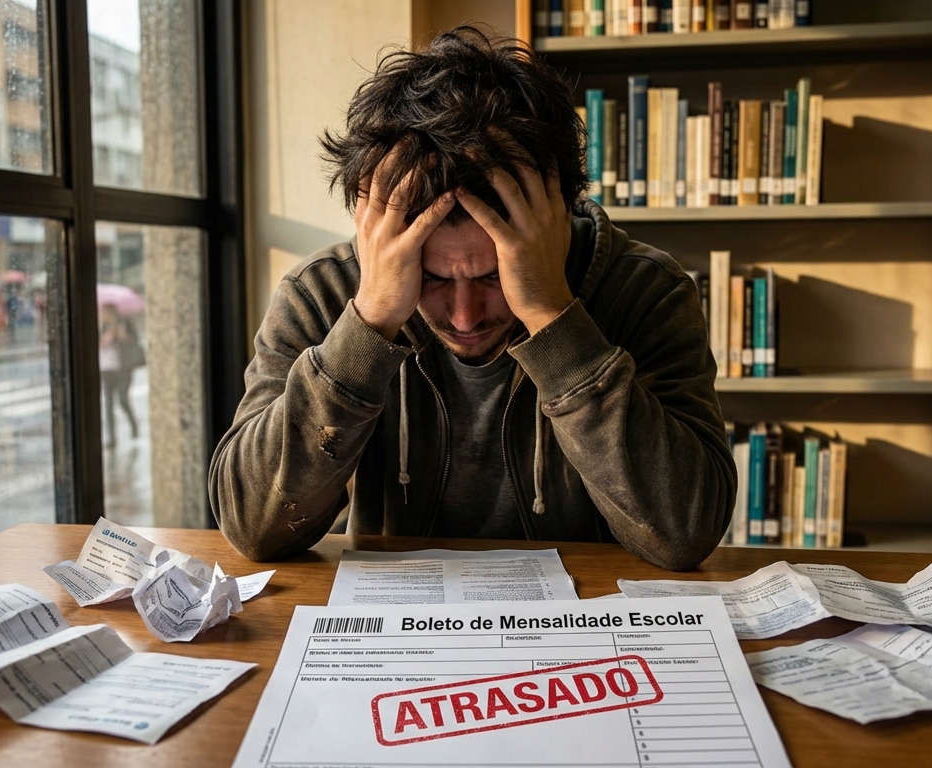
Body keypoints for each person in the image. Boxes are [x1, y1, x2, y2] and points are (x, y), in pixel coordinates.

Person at [208, 28, 734, 571]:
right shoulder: (320, 294)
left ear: (556, 221)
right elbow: (253, 529)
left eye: (495, 275)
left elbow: (684, 534)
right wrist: (367, 326)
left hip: (587, 621)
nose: (465, 317)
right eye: (431, 278)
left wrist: (554, 316)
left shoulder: (646, 289)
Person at [98, 303, 141, 447]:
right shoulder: (100, 326)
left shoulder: (124, 323)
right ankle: (111, 438)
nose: (103, 315)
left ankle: (133, 423)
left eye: (105, 312)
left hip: (123, 368)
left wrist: (121, 334)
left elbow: (134, 340)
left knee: (123, 399)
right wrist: (106, 338)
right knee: (108, 404)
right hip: (106, 368)